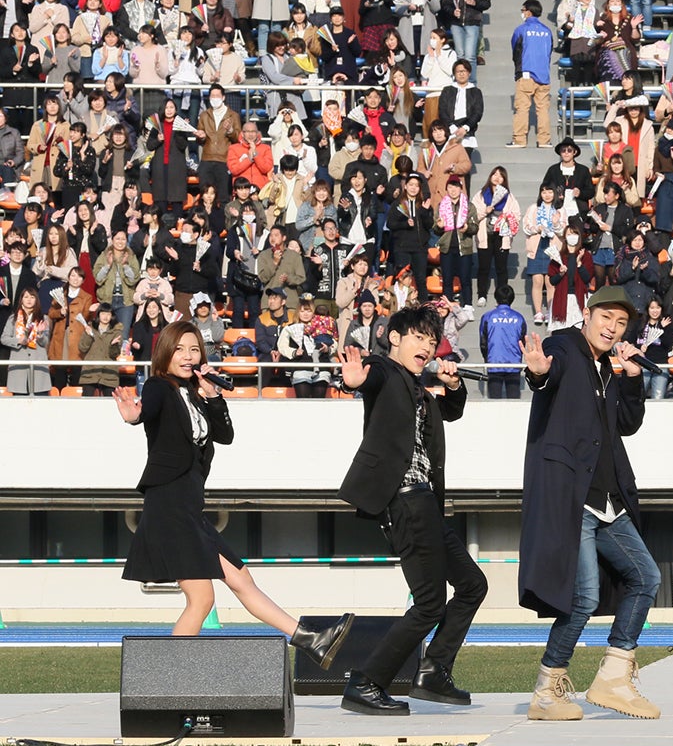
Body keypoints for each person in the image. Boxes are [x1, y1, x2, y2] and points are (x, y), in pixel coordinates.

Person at [116, 320, 354, 658]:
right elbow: (147, 409)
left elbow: (225, 436)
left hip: (190, 508)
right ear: (165, 353)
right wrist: (134, 417)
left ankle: (310, 640)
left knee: (241, 579)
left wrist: (213, 396)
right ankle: (169, 676)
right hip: (168, 506)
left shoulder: (197, 395)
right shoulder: (159, 386)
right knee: (202, 599)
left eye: (194, 350)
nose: (187, 356)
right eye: (180, 349)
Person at [334, 305, 488, 715]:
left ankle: (434, 671)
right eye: (418, 337)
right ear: (395, 338)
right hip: (404, 500)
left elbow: (451, 411)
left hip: (426, 502)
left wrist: (454, 385)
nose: (426, 346)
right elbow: (368, 377)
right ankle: (366, 683)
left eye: (431, 341)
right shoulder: (385, 372)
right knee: (429, 603)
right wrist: (353, 381)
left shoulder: (418, 390)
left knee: (472, 584)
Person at [518, 286, 661, 722]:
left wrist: (632, 378)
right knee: (582, 598)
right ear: (587, 313)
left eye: (621, 323)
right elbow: (549, 370)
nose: (612, 328)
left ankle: (614, 677)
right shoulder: (564, 346)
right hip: (574, 498)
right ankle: (547, 691)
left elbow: (627, 425)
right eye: (606, 318)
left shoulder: (607, 369)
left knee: (646, 577)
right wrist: (539, 373)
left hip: (608, 500)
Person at [509, 0, 553, 149]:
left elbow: (515, 49)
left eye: (523, 10)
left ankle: (519, 140)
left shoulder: (521, 29)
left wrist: (518, 71)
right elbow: (549, 52)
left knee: (522, 108)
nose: (522, 13)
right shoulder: (547, 31)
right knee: (543, 110)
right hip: (544, 75)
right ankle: (544, 141)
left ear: (528, 12)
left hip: (526, 74)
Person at [479, 284, 526, 399]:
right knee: (514, 402)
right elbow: (522, 342)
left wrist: (487, 359)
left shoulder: (487, 316)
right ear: (512, 298)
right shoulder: (519, 318)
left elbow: (483, 342)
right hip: (514, 363)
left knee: (494, 402)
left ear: (496, 298)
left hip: (494, 362)